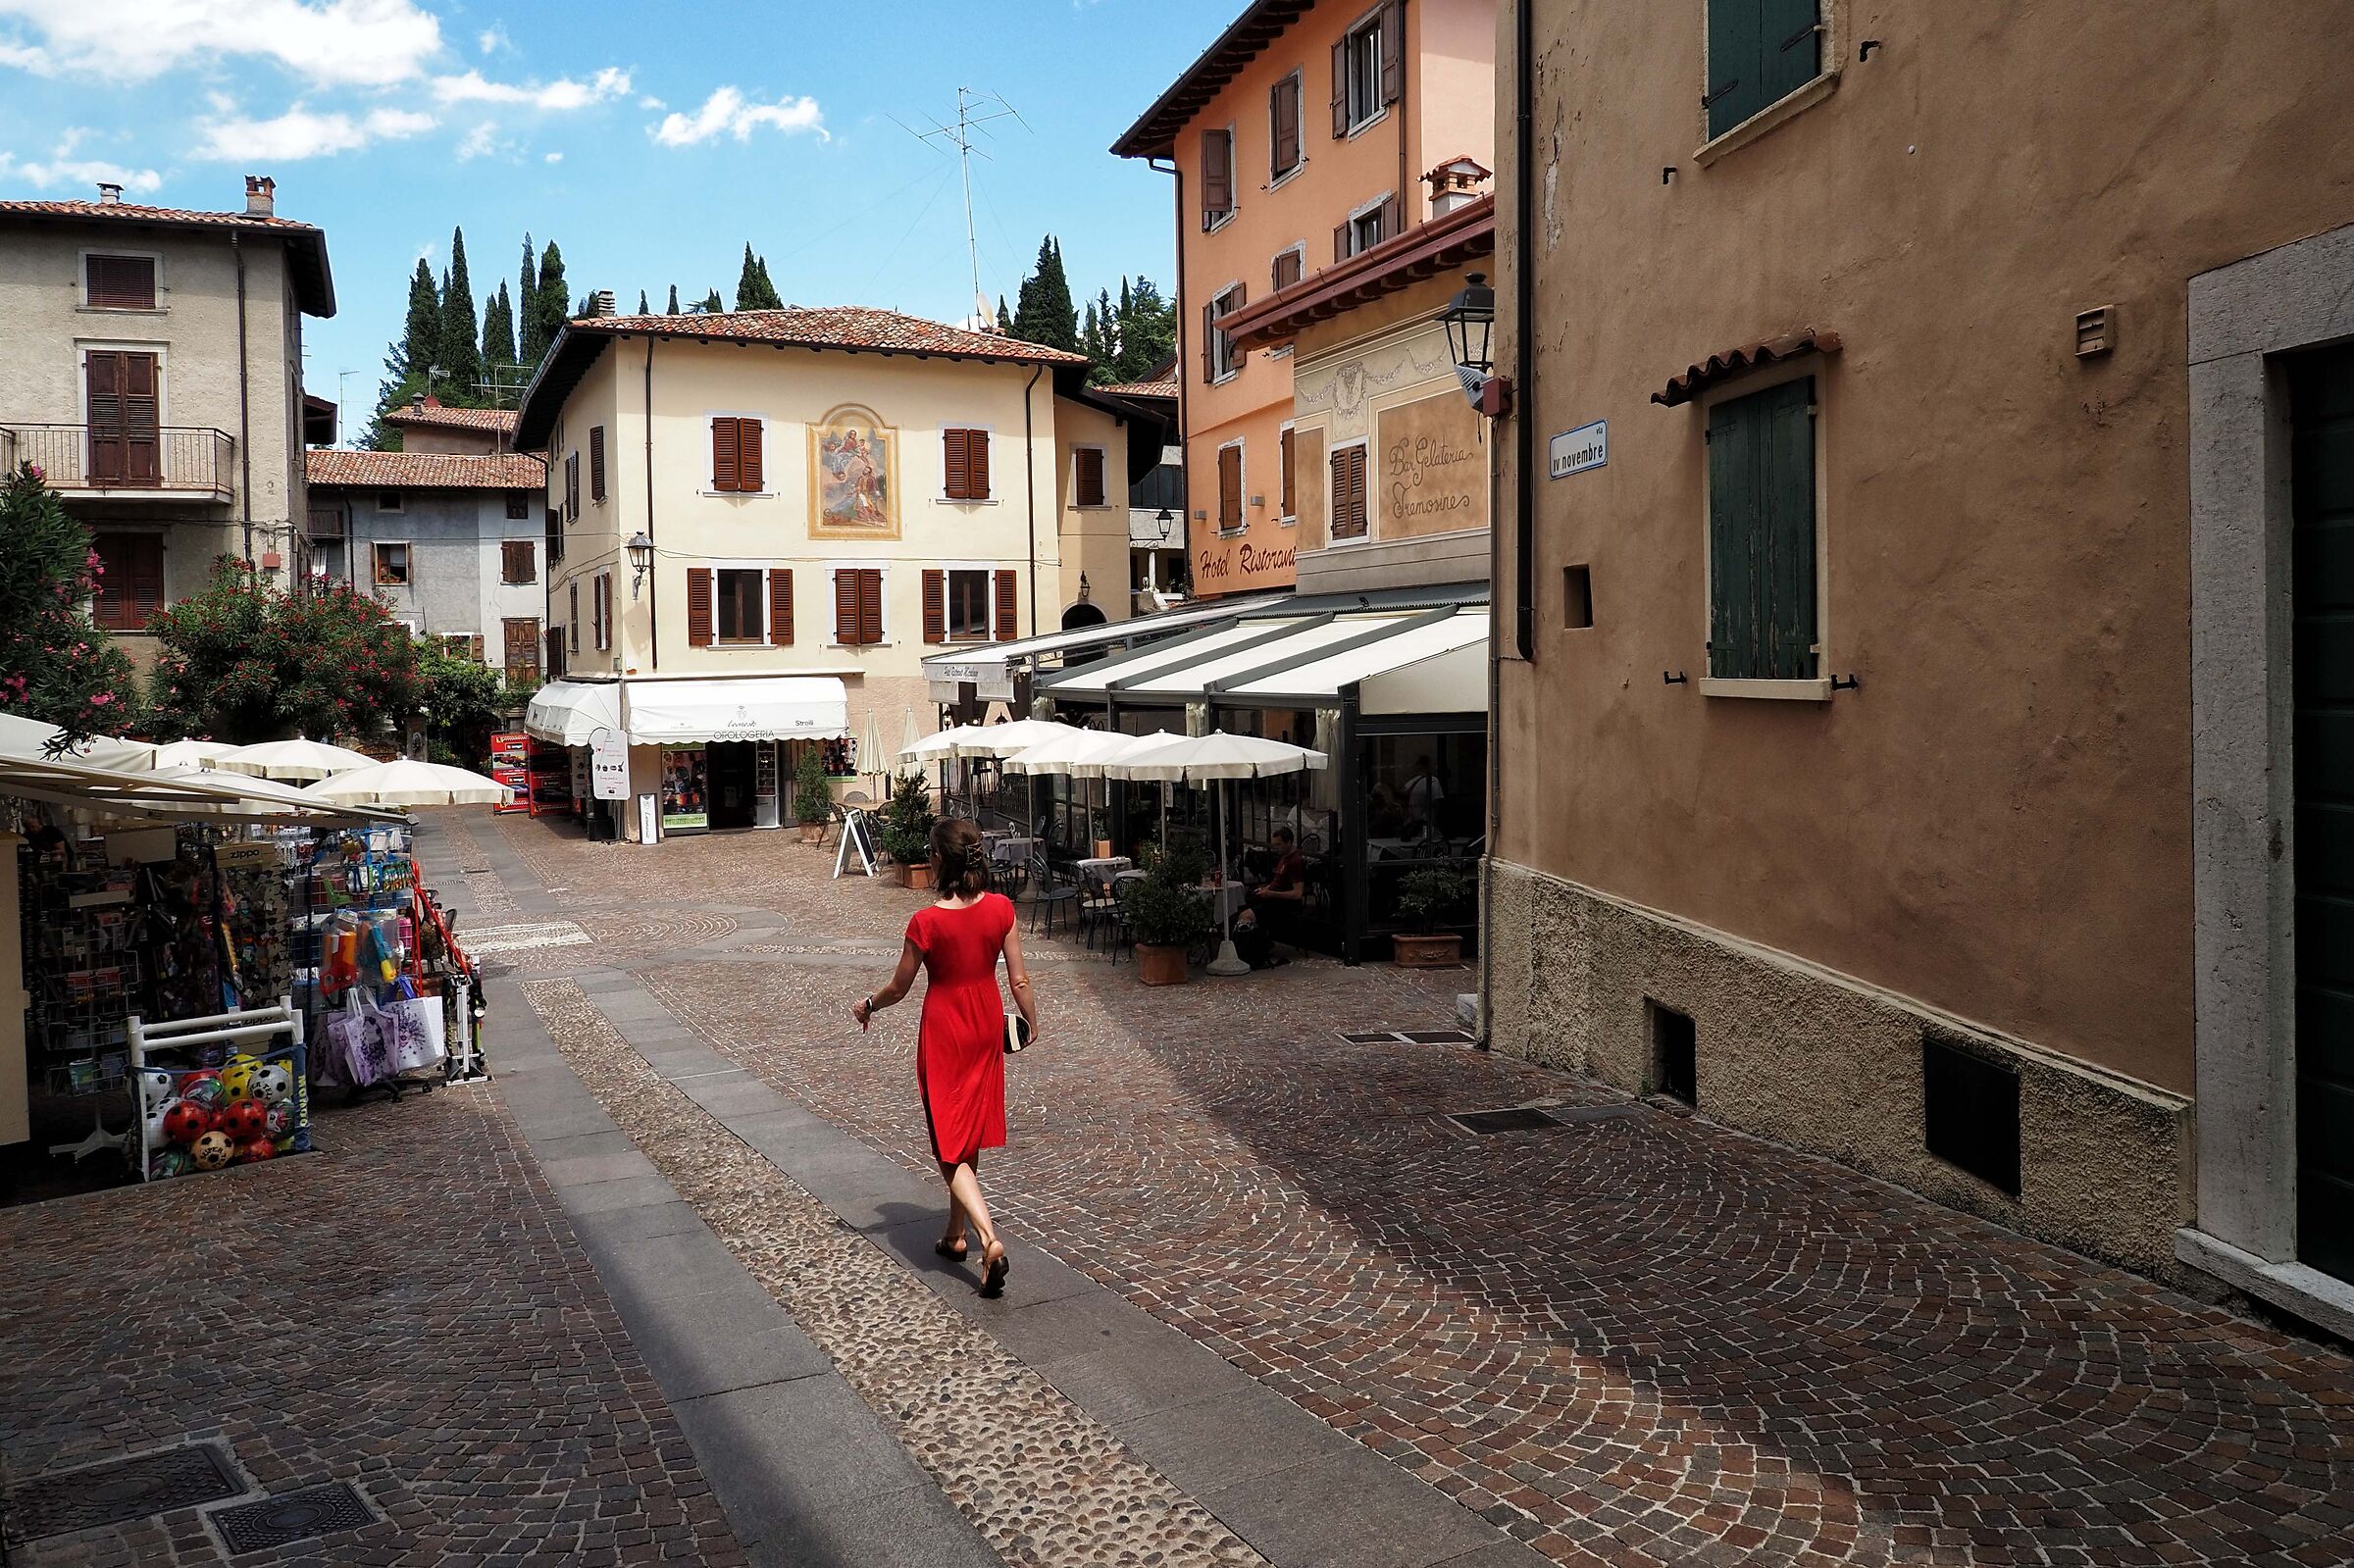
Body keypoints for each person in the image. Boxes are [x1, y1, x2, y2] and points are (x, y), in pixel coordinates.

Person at [852, 818, 1038, 1296]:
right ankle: (955, 1237)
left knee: (947, 1143)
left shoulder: (927, 922)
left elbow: (899, 987)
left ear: (938, 860)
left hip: (945, 1031)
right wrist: (1030, 1022)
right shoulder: (1001, 909)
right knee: (967, 1129)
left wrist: (868, 1004)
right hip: (985, 1025)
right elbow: (1018, 980)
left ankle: (988, 1239)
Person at [1404, 755, 1446, 832]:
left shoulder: (1408, 785)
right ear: (1428, 766)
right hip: (1427, 825)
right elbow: (1438, 802)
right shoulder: (1432, 781)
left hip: (1412, 826)